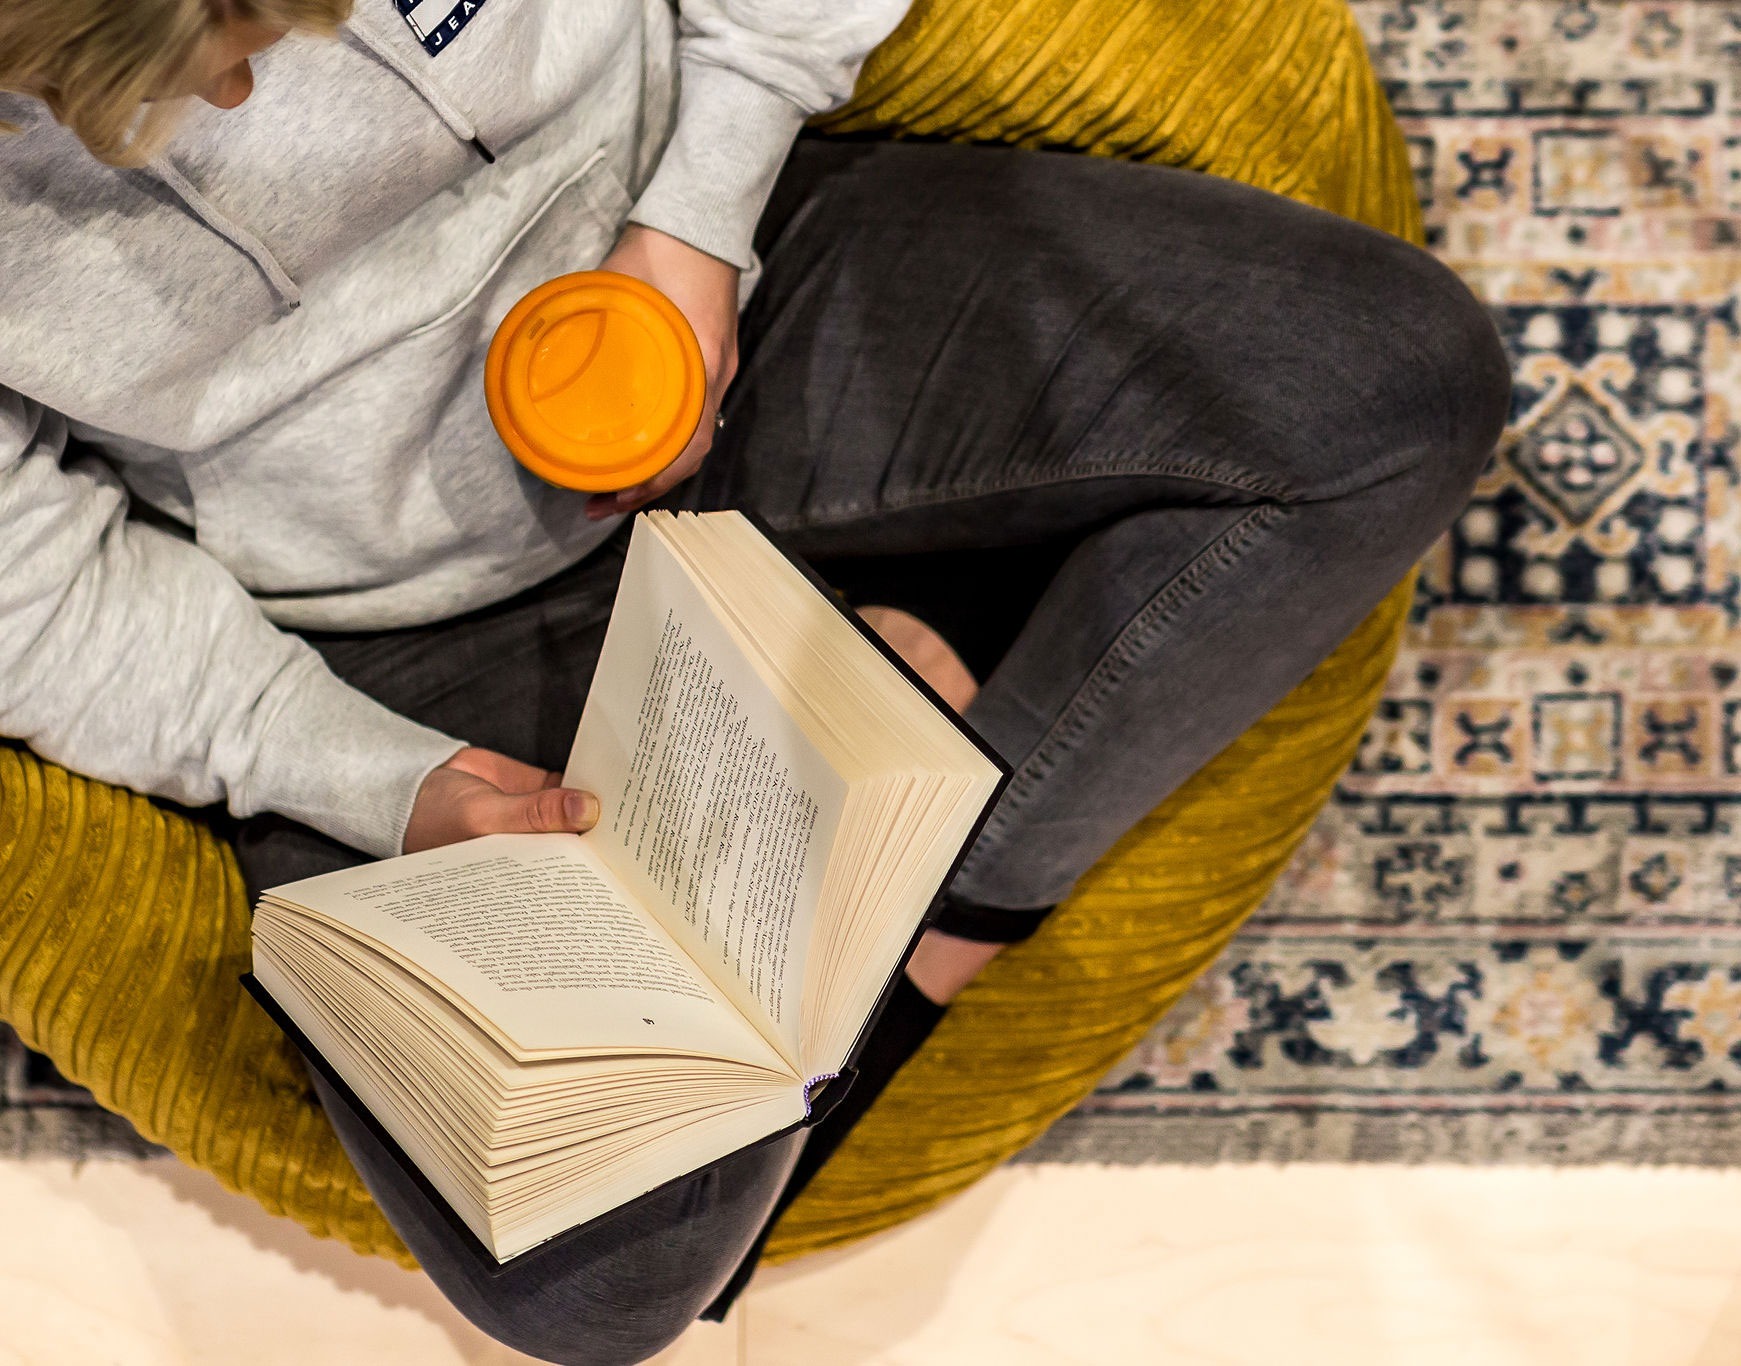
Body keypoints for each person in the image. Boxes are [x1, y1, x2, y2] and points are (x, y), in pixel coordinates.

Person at [0, 0, 1511, 1361]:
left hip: (723, 276)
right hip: (391, 628)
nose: (259, 92)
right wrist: (379, 782)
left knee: (1390, 385)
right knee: (589, 1282)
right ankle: (916, 681)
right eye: (188, 72)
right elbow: (34, 593)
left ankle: (934, 929)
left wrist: (701, 212)